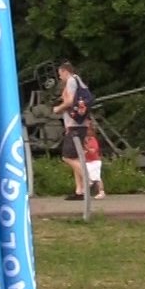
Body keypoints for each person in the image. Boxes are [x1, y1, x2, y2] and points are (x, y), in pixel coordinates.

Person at [53, 60, 91, 201]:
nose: (59, 77)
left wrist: (57, 109)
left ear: (65, 71)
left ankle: (89, 180)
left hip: (75, 125)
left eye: (60, 74)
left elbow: (69, 103)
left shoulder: (71, 81)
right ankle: (80, 191)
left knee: (67, 157)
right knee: (75, 157)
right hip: (79, 124)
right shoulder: (78, 81)